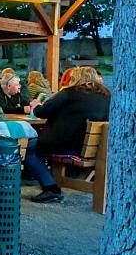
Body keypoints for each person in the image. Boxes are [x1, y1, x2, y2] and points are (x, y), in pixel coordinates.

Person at [22, 67, 111, 203]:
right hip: (92, 148)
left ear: (76, 78)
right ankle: (51, 181)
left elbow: (42, 112)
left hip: (64, 144)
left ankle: (51, 188)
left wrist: (36, 105)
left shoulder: (69, 93)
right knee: (38, 145)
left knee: (29, 148)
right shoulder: (107, 96)